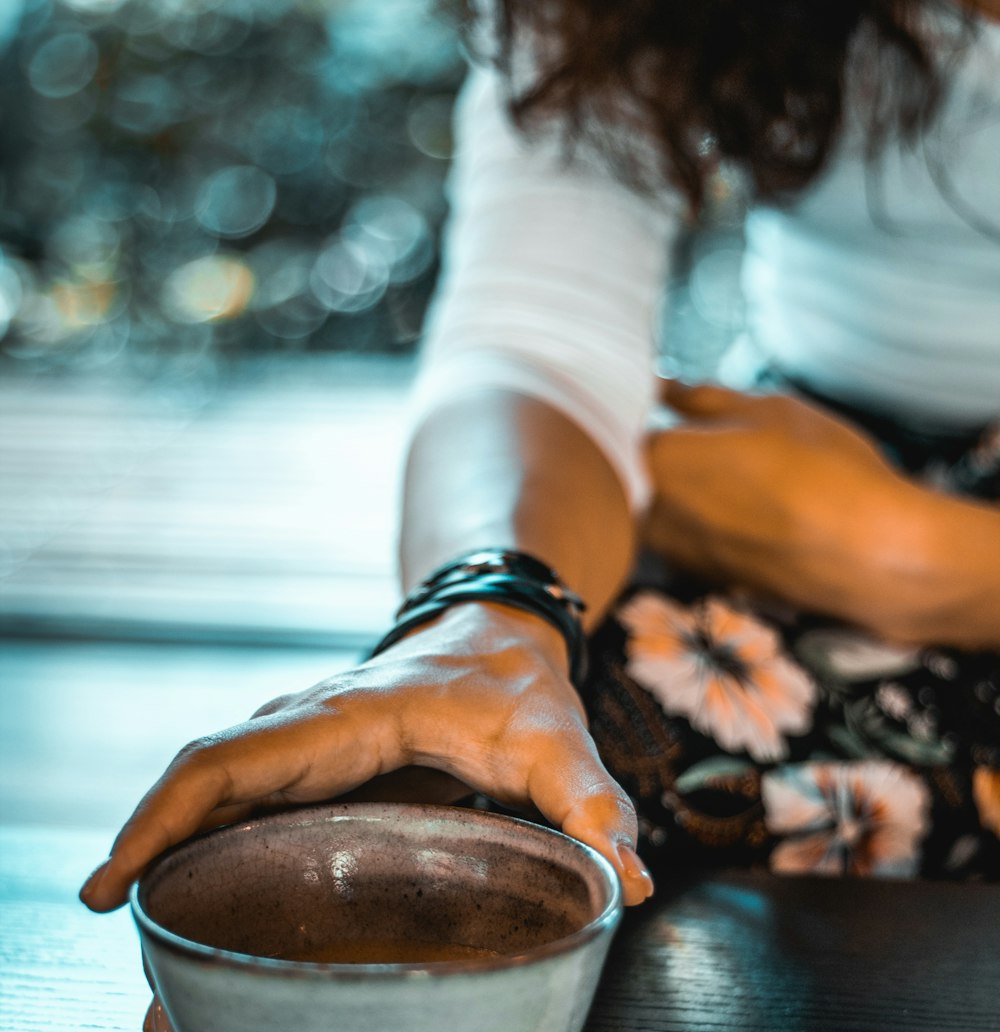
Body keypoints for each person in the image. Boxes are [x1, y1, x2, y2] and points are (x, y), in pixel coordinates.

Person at [80, 0, 1000, 920]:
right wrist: (488, 619)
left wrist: (934, 566)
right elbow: (539, 333)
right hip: (810, 464)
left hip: (858, 522)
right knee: (490, 801)